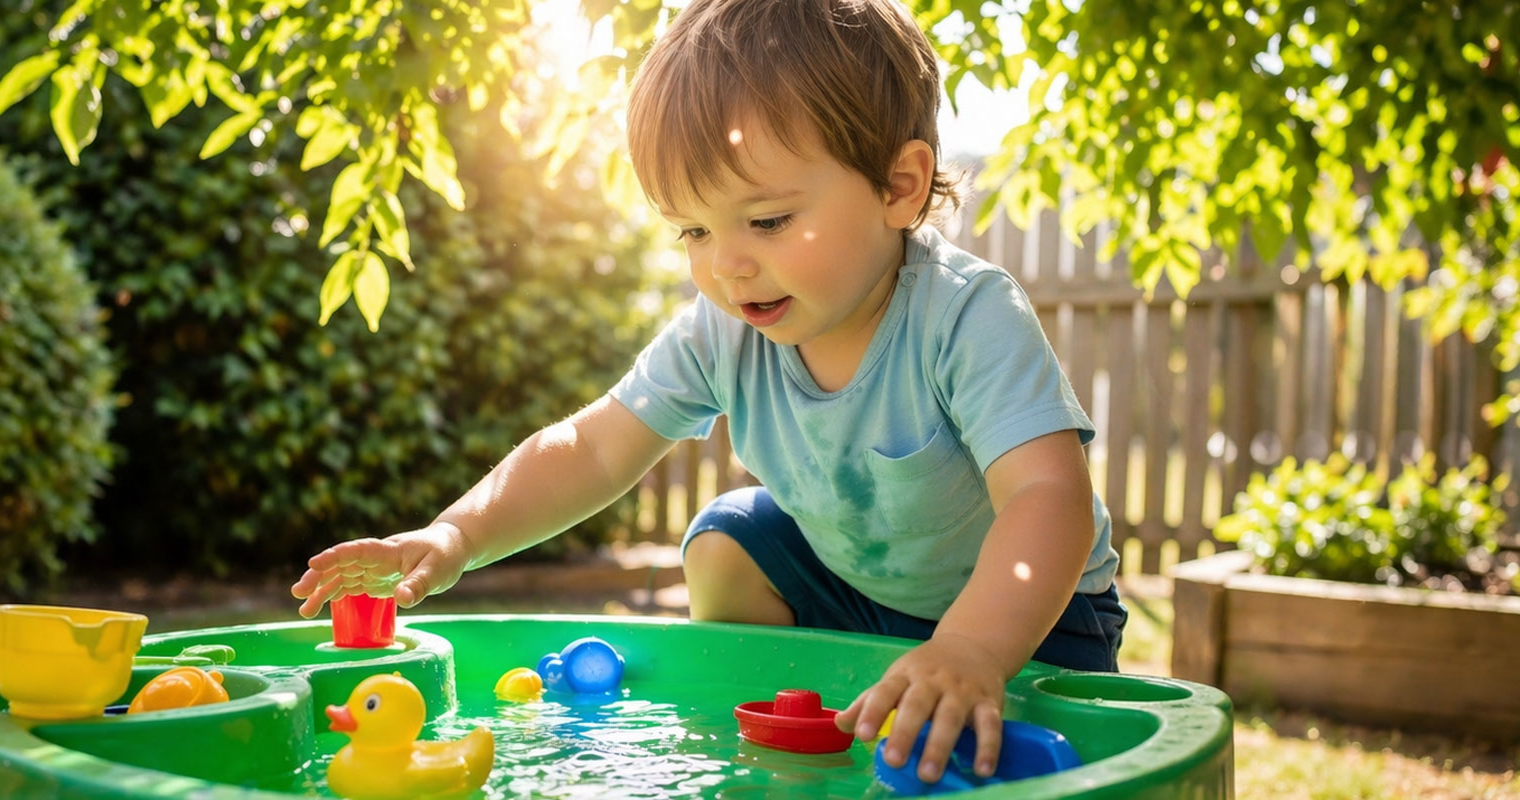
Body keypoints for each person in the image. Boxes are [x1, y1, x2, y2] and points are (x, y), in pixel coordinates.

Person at [290, 0, 1124, 785]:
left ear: (899, 187)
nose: (727, 264)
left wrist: (974, 647)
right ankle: (779, 742)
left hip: (1039, 619)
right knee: (727, 537)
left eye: (765, 221)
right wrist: (456, 533)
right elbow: (592, 447)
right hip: (861, 600)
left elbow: (1048, 497)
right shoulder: (724, 329)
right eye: (693, 229)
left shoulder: (965, 315)